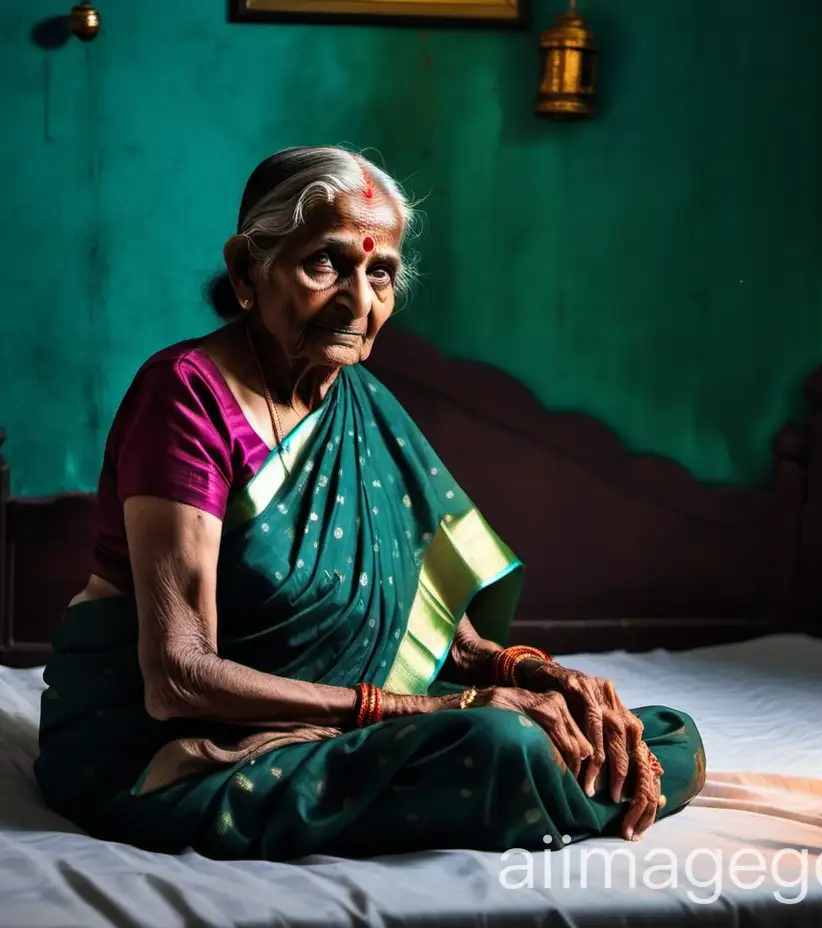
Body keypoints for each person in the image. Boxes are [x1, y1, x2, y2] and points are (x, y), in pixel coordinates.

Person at [33, 146, 705, 861]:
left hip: (332, 725)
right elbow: (179, 677)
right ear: (245, 271)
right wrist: (426, 710)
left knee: (658, 733)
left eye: (379, 272)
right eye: (324, 264)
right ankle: (536, 783)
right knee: (501, 744)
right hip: (165, 749)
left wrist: (538, 674)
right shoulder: (188, 397)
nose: (358, 302)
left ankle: (548, 777)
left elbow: (443, 632)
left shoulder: (361, 400)